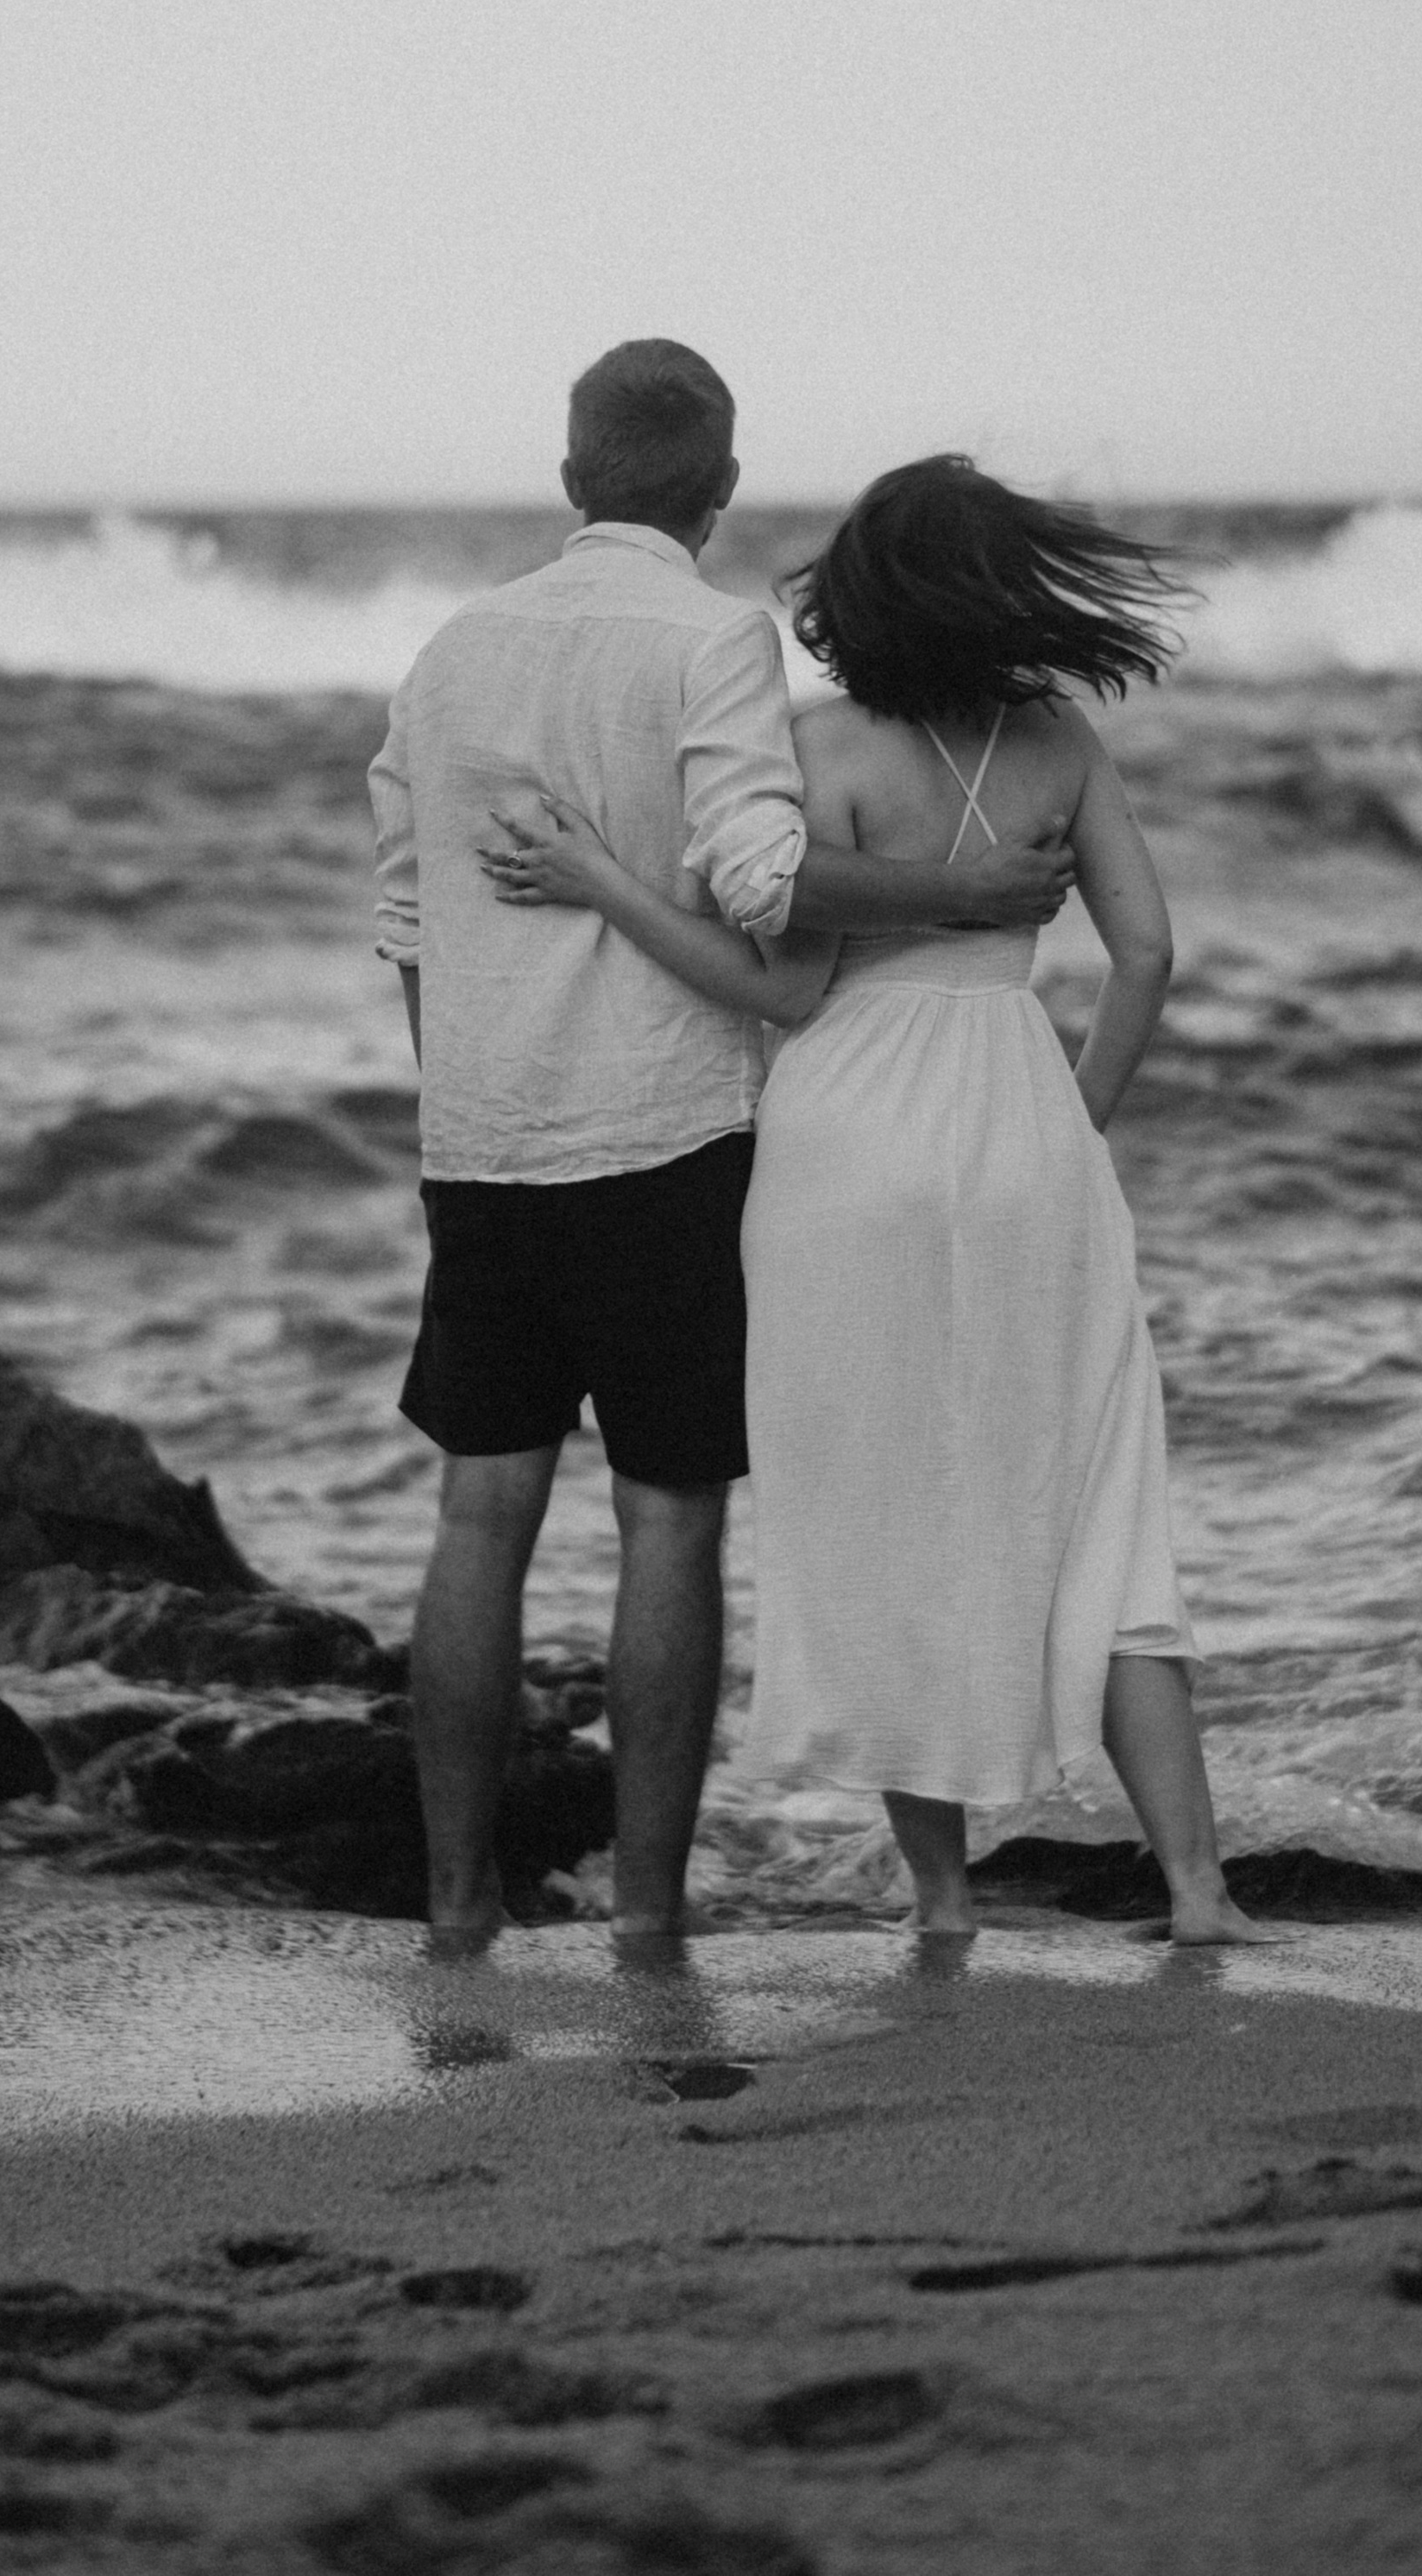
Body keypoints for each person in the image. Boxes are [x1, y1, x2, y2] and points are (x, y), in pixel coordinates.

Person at [482, 451, 1281, 1943]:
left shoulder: (821, 744)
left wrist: (602, 882)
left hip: (848, 1143)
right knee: (1101, 1518)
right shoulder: (1060, 743)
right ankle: (1198, 1887)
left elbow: (772, 981)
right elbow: (1150, 955)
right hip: (1024, 1126)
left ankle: (945, 1896)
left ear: (863, 593)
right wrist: (1073, 1118)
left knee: (883, 1519)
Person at [369, 357, 1083, 1942]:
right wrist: (967, 895)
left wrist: (471, 1085)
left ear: (569, 473)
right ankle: (643, 1915)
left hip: (480, 1143)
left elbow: (408, 915)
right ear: (720, 487)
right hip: (665, 1134)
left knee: (478, 1517)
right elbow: (770, 882)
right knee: (668, 1518)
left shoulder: (448, 650)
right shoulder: (711, 638)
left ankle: (454, 1909)